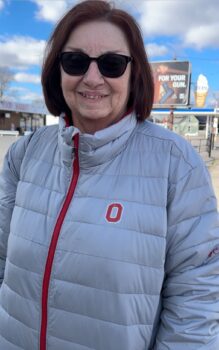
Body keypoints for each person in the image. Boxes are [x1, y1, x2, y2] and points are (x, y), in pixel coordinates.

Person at [0, 1, 219, 349]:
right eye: (75, 61)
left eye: (112, 64)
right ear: (58, 68)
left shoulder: (175, 165)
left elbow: (197, 300)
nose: (92, 78)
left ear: (134, 74)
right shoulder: (24, 155)